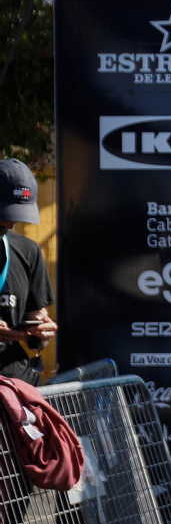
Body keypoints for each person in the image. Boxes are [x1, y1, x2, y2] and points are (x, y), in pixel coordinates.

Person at [0, 160, 55, 384]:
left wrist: (42, 334)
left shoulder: (29, 251)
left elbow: (35, 318)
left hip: (17, 386)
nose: (13, 222)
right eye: (7, 212)